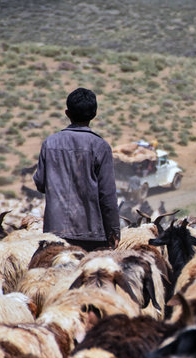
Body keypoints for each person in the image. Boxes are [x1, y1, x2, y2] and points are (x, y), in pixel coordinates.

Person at [33, 88, 120, 251]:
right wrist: (113, 231)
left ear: (67, 113)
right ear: (94, 113)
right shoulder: (100, 146)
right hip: (91, 236)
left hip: (55, 235)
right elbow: (107, 195)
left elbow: (40, 183)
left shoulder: (50, 143)